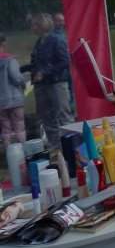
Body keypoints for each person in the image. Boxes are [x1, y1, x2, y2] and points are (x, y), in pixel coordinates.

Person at [20, 13, 73, 150]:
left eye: (34, 25)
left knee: (64, 117)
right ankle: (56, 148)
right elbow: (36, 64)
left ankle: (72, 149)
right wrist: (19, 68)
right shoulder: (39, 42)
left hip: (57, 84)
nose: (31, 28)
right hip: (41, 86)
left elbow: (65, 61)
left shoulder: (57, 40)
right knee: (47, 118)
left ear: (41, 26)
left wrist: (44, 72)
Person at [0, 35, 26, 148]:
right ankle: (23, 151)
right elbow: (16, 78)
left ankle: (9, 152)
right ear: (3, 43)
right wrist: (23, 82)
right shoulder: (9, 60)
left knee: (5, 129)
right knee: (19, 127)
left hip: (1, 103)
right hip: (14, 100)